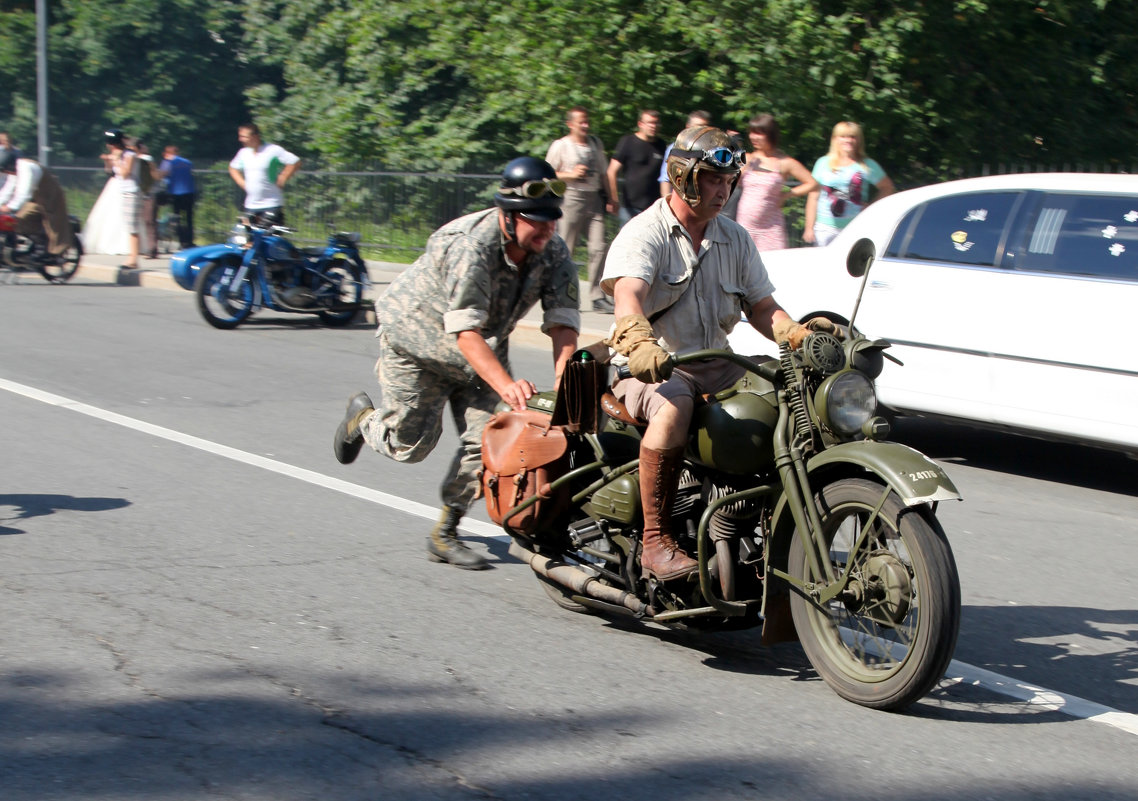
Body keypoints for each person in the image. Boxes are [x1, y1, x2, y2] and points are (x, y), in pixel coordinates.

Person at [601, 126, 836, 580]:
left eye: (729, 182)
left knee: (788, 396)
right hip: (654, 366)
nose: (723, 191)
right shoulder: (645, 233)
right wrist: (638, 342)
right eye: (713, 179)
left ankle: (764, 517)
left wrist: (794, 332)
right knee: (673, 408)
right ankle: (655, 542)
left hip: (719, 363)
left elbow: (763, 307)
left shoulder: (735, 238)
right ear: (686, 176)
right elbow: (628, 296)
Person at [332, 157, 581, 570]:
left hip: (482, 347)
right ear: (508, 214)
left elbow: (563, 325)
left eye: (552, 220)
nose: (546, 229)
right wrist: (506, 386)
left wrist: (567, 387)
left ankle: (446, 532)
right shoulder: (472, 245)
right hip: (417, 344)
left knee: (491, 440)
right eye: (536, 221)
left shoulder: (552, 251)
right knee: (409, 446)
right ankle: (363, 420)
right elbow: (464, 332)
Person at [544, 106, 614, 313]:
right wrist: (570, 175)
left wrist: (611, 197)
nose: (585, 125)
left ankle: (597, 296)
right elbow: (547, 173)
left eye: (587, 121)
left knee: (599, 247)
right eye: (581, 122)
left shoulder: (595, 144)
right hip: (571, 199)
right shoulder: (561, 146)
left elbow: (604, 173)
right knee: (566, 249)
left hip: (593, 200)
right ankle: (558, 293)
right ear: (570, 124)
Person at [804, 121, 895, 247]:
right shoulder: (823, 163)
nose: (848, 140)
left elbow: (887, 187)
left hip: (855, 227)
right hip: (825, 228)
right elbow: (813, 197)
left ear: (859, 140)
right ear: (835, 139)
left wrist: (870, 206)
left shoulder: (867, 165)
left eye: (853, 137)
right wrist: (809, 228)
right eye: (843, 136)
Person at [735, 114, 819, 251]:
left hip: (771, 229)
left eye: (758, 133)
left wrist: (787, 195)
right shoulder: (747, 158)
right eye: (752, 132)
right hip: (745, 226)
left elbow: (813, 184)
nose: (753, 137)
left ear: (771, 135)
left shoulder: (784, 162)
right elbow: (730, 183)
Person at [0, 148, 74, 261]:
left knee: (53, 222)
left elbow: (23, 193)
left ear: (9, 165)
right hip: (35, 197)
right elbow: (8, 189)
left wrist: (10, 207)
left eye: (6, 171)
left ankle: (53, 251)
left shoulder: (26, 168)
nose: (7, 173)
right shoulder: (13, 169)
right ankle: (37, 243)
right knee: (19, 219)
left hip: (49, 194)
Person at [228, 123, 301, 222]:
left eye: (244, 136)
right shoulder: (243, 153)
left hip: (272, 204)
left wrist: (283, 177)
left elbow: (295, 161)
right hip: (251, 205)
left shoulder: (273, 150)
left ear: (255, 136)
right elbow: (232, 168)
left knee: (269, 237)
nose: (240, 139)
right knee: (248, 236)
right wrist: (243, 184)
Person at [606, 109, 666, 225]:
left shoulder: (661, 146)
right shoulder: (628, 142)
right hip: (630, 208)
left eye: (656, 123)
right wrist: (613, 199)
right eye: (650, 123)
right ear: (640, 124)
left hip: (654, 209)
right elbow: (611, 171)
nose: (653, 126)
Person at [658, 110, 712, 200]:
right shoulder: (676, 148)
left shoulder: (712, 150)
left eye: (704, 127)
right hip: (678, 201)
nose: (700, 130)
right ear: (688, 127)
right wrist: (667, 205)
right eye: (697, 126)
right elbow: (666, 179)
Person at [160, 145, 196, 248]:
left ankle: (181, 241)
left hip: (175, 193)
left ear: (167, 153)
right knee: (189, 218)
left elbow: (163, 176)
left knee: (177, 218)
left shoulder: (167, 162)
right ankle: (189, 240)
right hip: (189, 192)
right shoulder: (188, 162)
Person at [134, 139, 161, 259]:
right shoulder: (136, 159)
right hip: (143, 192)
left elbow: (154, 175)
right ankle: (150, 248)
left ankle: (152, 249)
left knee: (150, 221)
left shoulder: (146, 159)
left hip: (149, 192)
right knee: (147, 221)